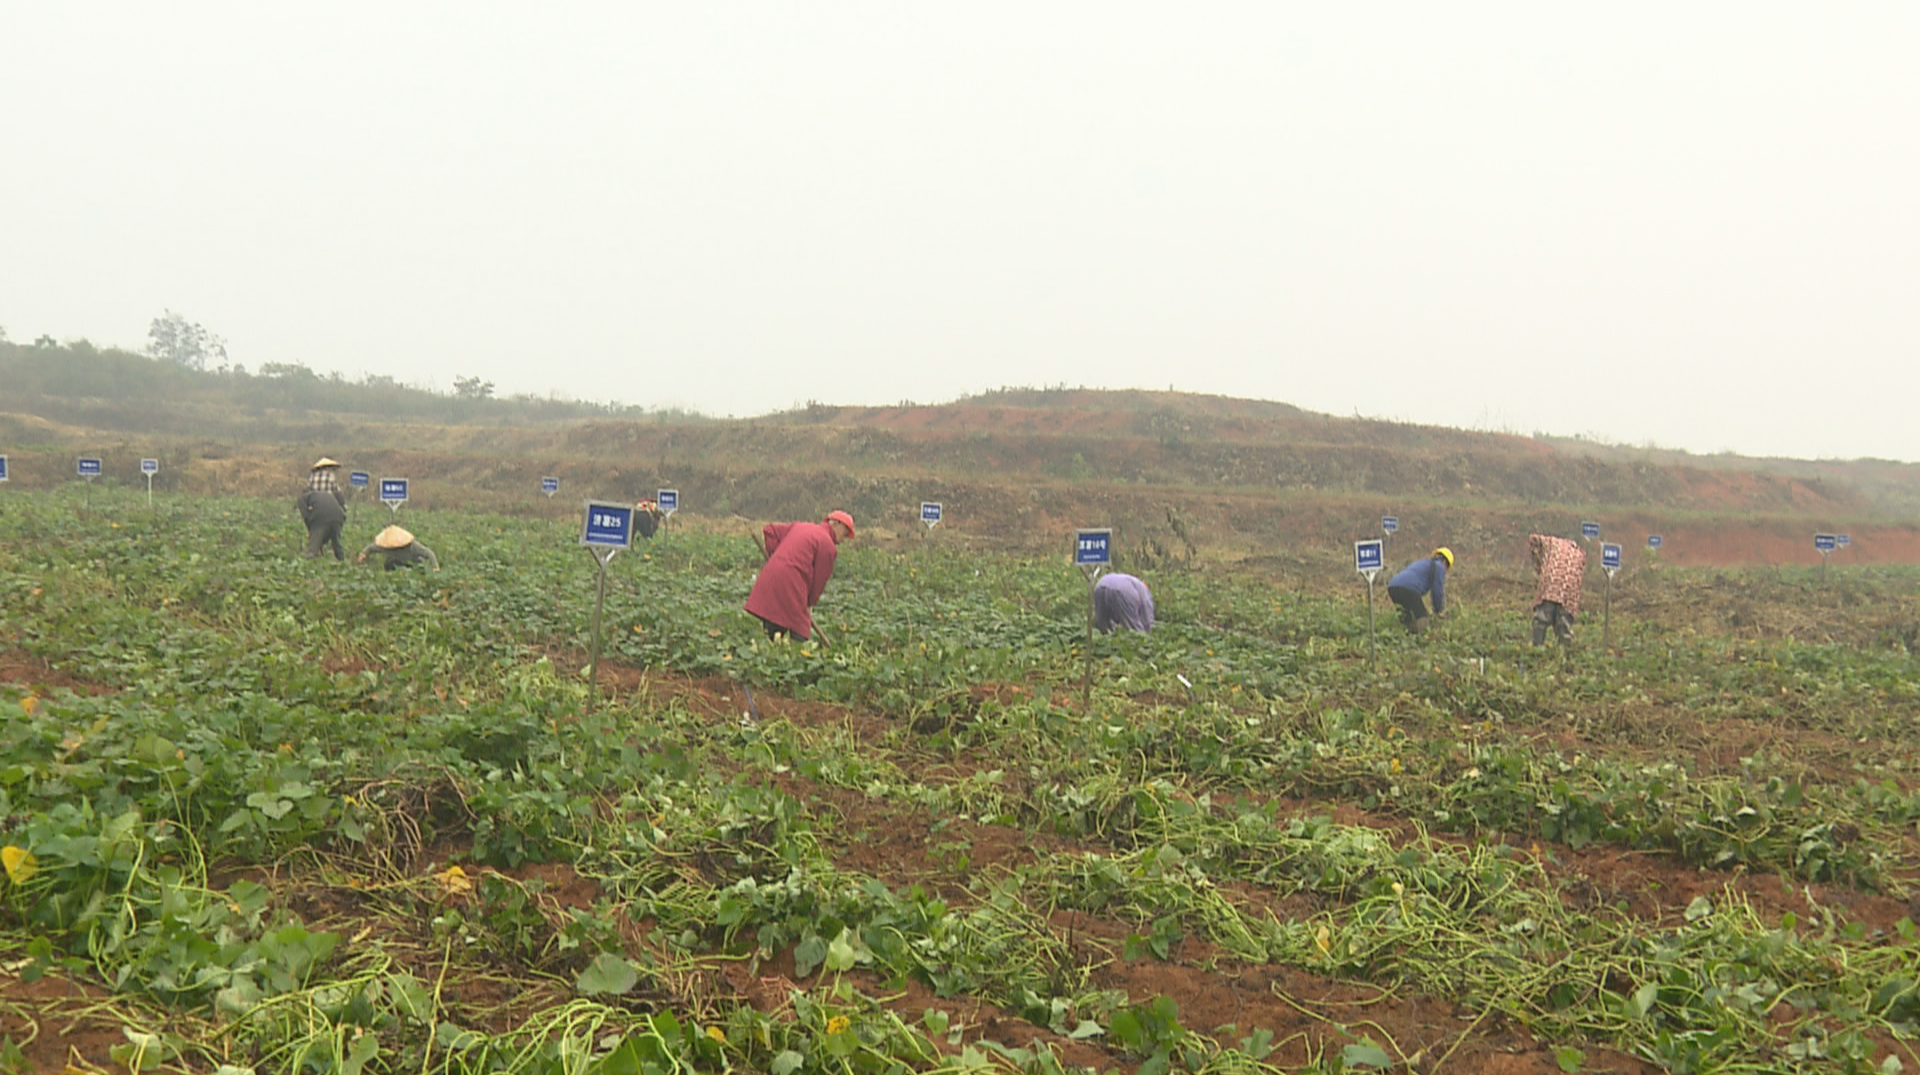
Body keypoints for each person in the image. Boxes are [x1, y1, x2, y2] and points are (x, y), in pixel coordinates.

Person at [745, 511, 854, 641]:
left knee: (773, 625)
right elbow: (818, 582)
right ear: (836, 524)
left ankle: (773, 648)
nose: (843, 539)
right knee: (799, 631)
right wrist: (809, 603)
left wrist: (777, 557)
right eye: (845, 534)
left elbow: (770, 531)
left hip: (771, 578)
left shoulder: (801, 526)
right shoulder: (828, 546)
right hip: (791, 585)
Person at [1528, 534, 1586, 646]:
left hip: (1551, 581)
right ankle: (1564, 650)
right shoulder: (1580, 553)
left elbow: (1533, 538)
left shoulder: (1550, 542)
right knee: (1564, 622)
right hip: (1569, 587)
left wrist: (1538, 565)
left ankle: (1537, 647)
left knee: (1542, 618)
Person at [1386, 547, 1452, 634]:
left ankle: (1404, 636)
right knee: (1422, 616)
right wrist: (1438, 610)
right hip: (1408, 588)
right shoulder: (1439, 566)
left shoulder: (1423, 563)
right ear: (1445, 562)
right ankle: (1422, 639)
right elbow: (1437, 590)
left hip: (1393, 587)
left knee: (1407, 618)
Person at [299, 457, 348, 561]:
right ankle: (341, 559)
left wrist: (309, 521)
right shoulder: (331, 476)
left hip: (317, 508)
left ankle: (313, 555)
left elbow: (307, 492)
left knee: (317, 534)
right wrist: (344, 506)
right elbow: (337, 493)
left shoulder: (312, 477)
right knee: (336, 540)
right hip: (333, 507)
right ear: (327, 468)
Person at [357, 524, 440, 571]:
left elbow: (429, 553)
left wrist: (435, 567)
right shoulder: (386, 546)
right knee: (389, 562)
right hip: (396, 565)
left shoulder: (412, 546)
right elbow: (371, 548)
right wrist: (363, 554)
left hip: (412, 565)